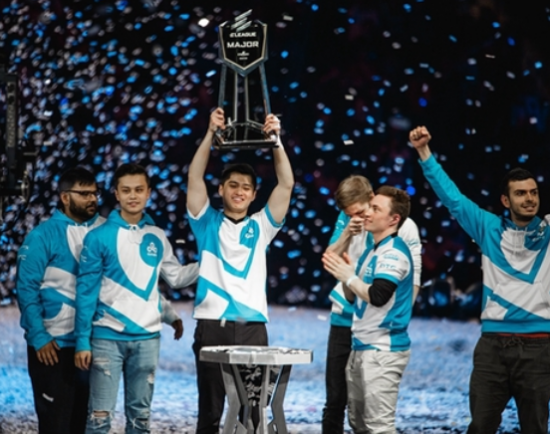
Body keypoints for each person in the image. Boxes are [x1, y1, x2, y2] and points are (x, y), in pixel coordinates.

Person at [409, 126, 550, 434]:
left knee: (536, 429)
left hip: (539, 347)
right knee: (481, 426)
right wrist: (423, 152)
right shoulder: (488, 228)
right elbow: (453, 198)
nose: (529, 199)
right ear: (505, 200)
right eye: (521, 193)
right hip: (492, 348)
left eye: (533, 192)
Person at [186, 107, 294, 434]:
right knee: (210, 412)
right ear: (221, 189)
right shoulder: (206, 222)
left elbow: (286, 184)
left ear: (254, 194)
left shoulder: (261, 225)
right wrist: (210, 133)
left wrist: (276, 141)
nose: (239, 191)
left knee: (253, 412)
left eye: (246, 187)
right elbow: (194, 178)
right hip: (212, 325)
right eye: (232, 185)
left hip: (252, 328)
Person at [74, 163, 199, 434]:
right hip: (107, 338)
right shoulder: (98, 237)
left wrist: (210, 262)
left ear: (148, 193)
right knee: (99, 418)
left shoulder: (156, 235)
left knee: (140, 420)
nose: (133, 196)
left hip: (147, 340)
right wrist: (82, 340)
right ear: (116, 194)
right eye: (127, 190)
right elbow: (86, 291)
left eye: (139, 190)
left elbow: (173, 278)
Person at [322, 175, 422, 434]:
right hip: (349, 320)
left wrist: (398, 321)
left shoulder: (401, 231)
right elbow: (332, 261)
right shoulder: (357, 232)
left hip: (381, 332)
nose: (359, 217)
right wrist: (347, 232)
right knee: (341, 404)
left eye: (362, 211)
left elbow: (410, 277)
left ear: (372, 199)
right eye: (350, 214)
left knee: (376, 421)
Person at [15, 167, 104, 434]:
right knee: (55, 426)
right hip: (53, 347)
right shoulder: (42, 235)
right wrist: (39, 336)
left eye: (95, 193)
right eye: (84, 194)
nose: (92, 199)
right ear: (65, 197)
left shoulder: (107, 231)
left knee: (86, 426)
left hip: (95, 345)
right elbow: (26, 288)